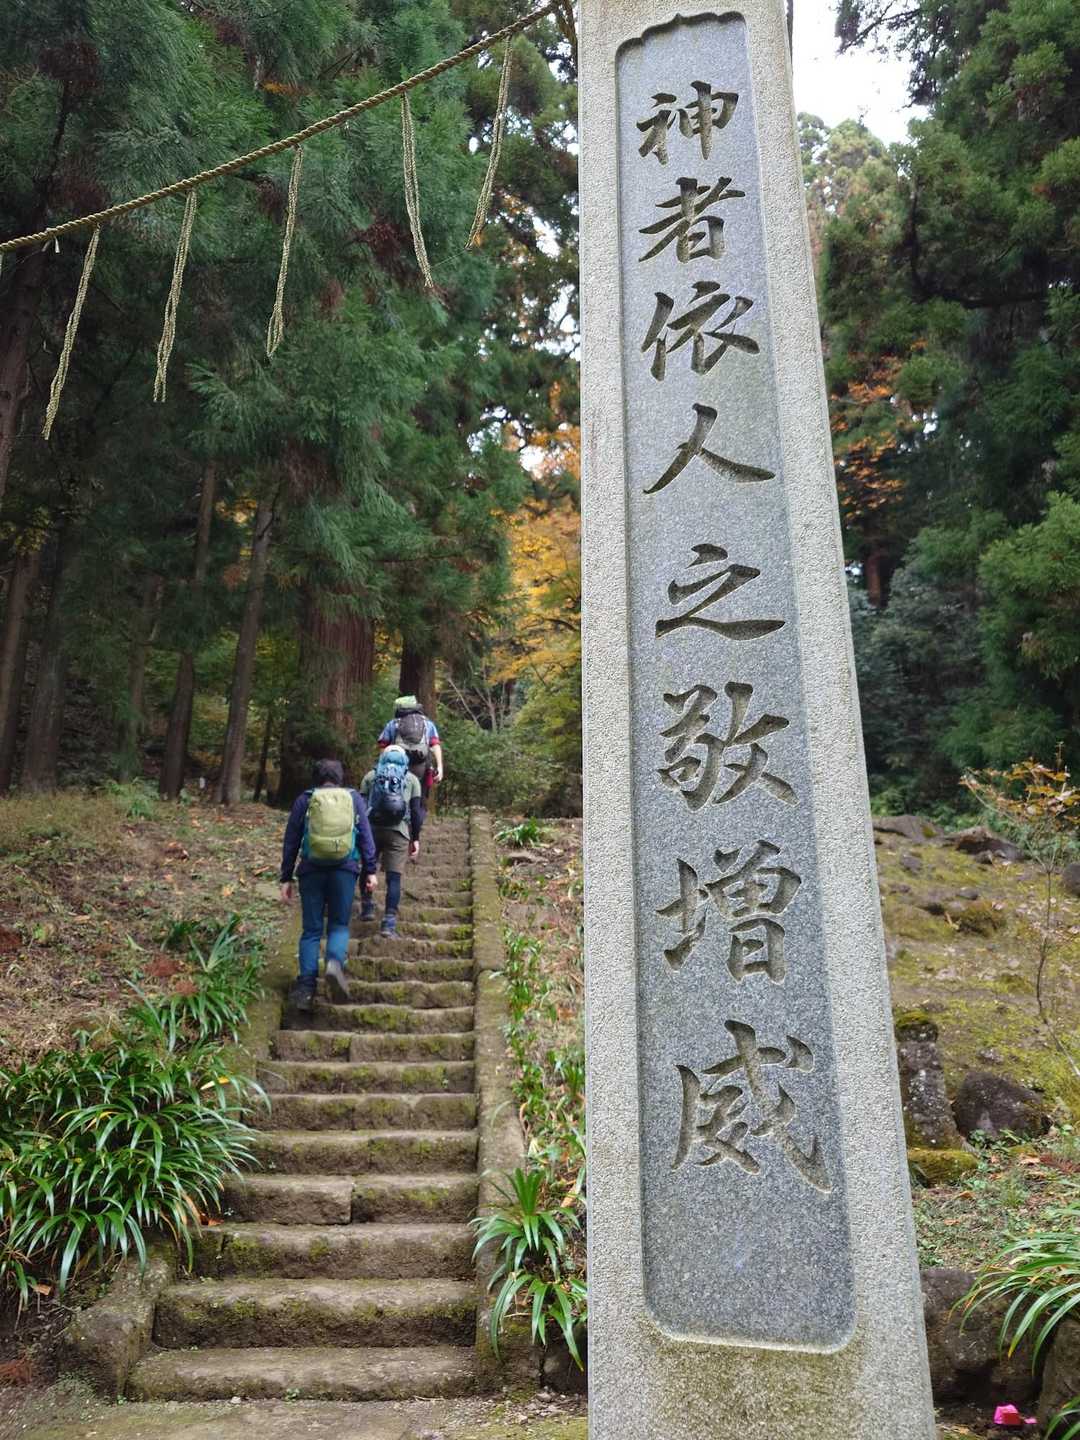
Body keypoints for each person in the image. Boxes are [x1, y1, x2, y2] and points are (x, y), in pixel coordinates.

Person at [280, 758, 376, 1012]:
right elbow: (366, 836)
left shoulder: (305, 799)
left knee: (311, 930)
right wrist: (370, 871)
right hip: (345, 870)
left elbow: (291, 840)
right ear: (340, 777)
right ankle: (334, 964)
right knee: (339, 924)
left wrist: (286, 877)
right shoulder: (354, 799)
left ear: (317, 777)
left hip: (311, 871)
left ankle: (306, 988)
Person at [359, 744, 423, 938]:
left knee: (367, 868)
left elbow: (360, 807)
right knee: (394, 878)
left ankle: (367, 907)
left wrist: (360, 834)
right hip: (399, 832)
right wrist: (415, 838)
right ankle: (388, 923)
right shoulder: (412, 779)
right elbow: (416, 812)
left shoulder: (371, 776)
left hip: (372, 831)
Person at [377, 694, 444, 816]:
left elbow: (383, 744)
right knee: (420, 798)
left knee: (398, 793)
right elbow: (435, 744)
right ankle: (416, 822)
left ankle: (399, 819)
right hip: (422, 767)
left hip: (398, 768)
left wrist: (382, 765)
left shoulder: (393, 724)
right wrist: (440, 767)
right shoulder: (427, 723)